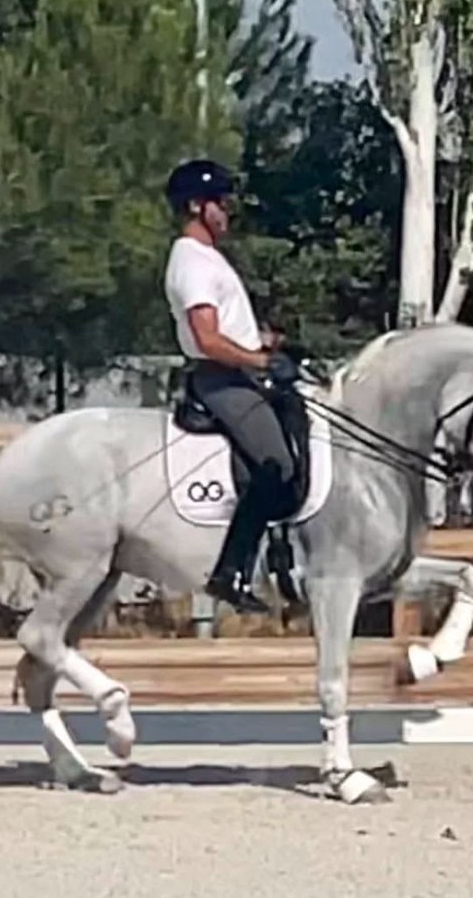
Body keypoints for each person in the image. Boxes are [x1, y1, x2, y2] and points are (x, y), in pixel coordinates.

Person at [162, 158, 298, 614]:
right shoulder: (191, 261)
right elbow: (207, 339)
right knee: (276, 463)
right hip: (221, 380)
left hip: (239, 372)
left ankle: (288, 559)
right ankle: (231, 572)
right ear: (198, 206)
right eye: (220, 202)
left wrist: (266, 343)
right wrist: (259, 360)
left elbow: (229, 332)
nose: (228, 211)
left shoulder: (208, 259)